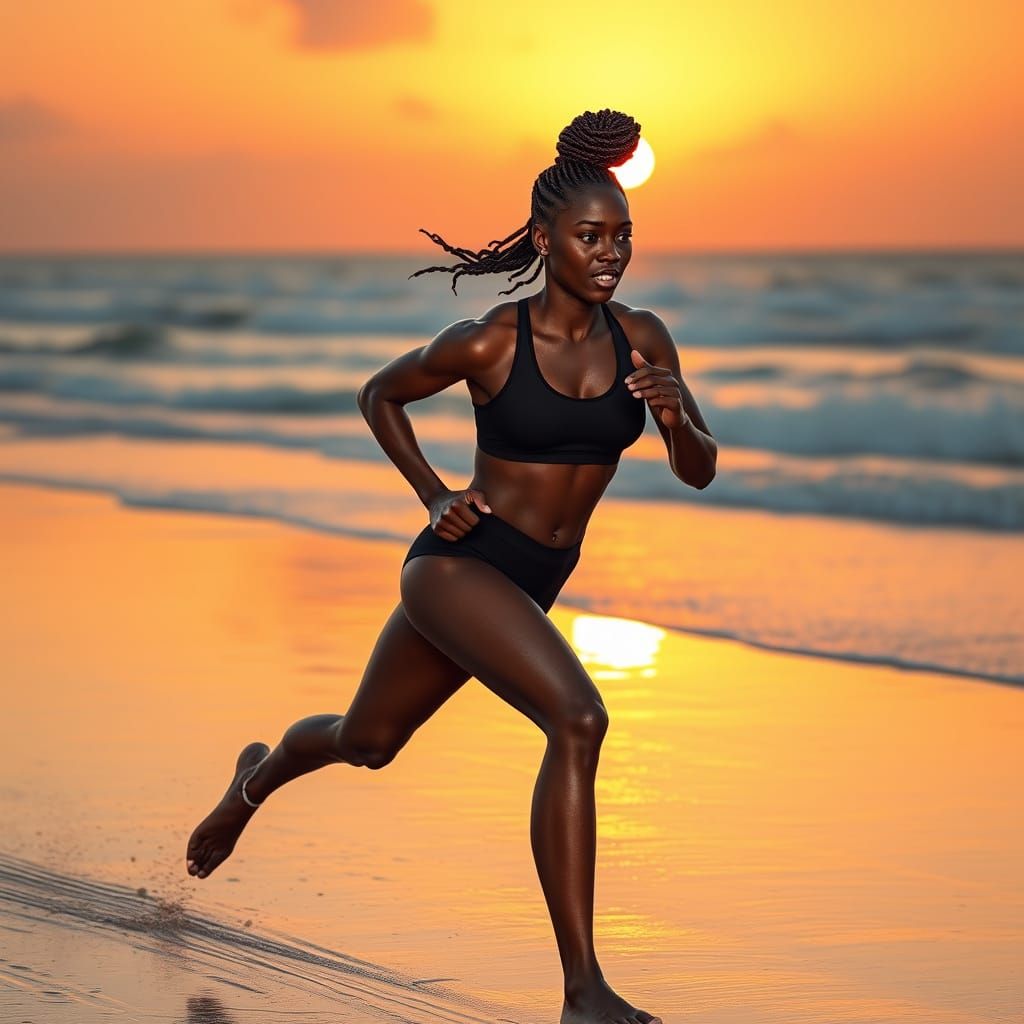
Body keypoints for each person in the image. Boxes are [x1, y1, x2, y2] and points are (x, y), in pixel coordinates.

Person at [186, 108, 716, 1024]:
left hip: (531, 582)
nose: (610, 254)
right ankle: (584, 991)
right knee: (579, 719)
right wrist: (433, 493)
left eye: (623, 236)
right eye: (590, 236)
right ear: (545, 239)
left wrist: (676, 418)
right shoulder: (492, 340)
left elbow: (699, 469)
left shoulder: (644, 337)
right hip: (457, 568)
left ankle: (252, 781)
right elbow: (379, 393)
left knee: (368, 740)